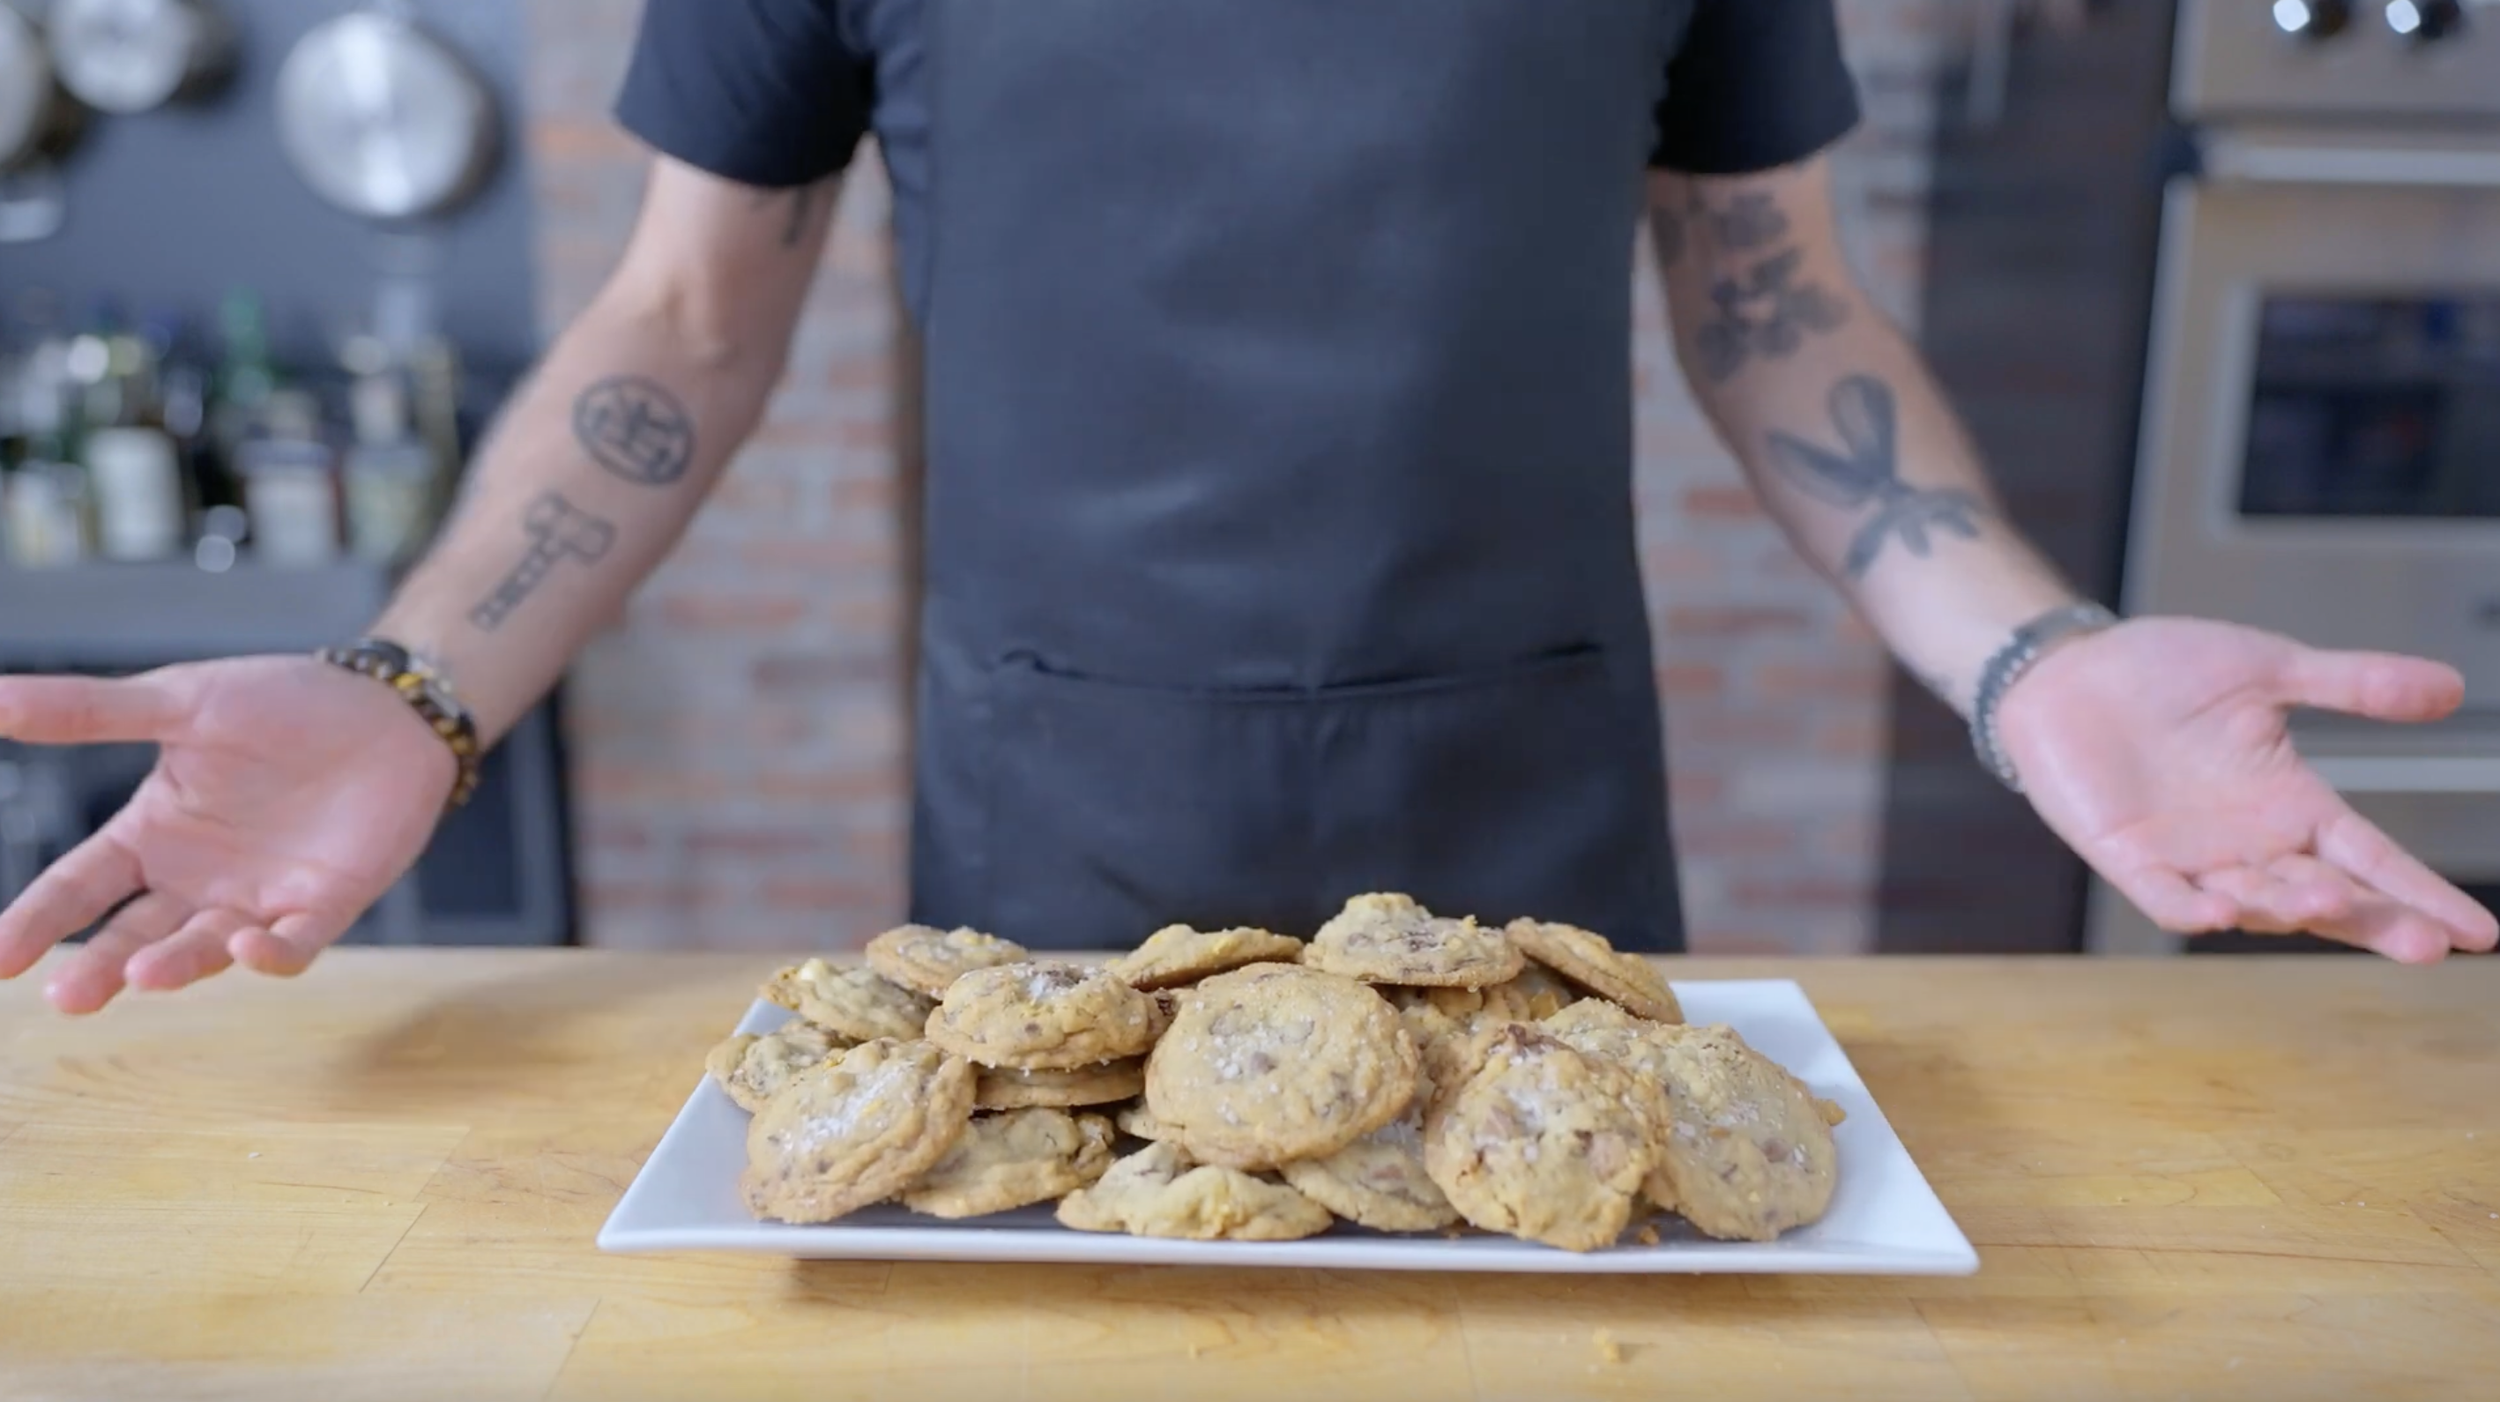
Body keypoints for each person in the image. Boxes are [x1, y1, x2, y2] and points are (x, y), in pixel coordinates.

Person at [1, 0, 2490, 1016]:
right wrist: (410, 688)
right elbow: (681, 319)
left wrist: (2029, 654)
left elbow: (1772, 299)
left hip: (1537, 832)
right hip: (1053, 834)